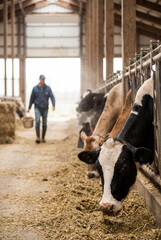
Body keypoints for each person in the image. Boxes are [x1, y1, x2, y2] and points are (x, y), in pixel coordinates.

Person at [27, 75, 55, 143]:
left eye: (43, 79)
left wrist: (53, 105)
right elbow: (32, 98)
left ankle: (43, 138)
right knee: (37, 121)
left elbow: (52, 97)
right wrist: (29, 107)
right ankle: (38, 138)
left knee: (44, 123)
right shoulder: (35, 88)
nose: (42, 80)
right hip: (37, 107)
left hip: (45, 108)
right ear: (39, 79)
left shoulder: (48, 88)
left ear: (44, 80)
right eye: (41, 79)